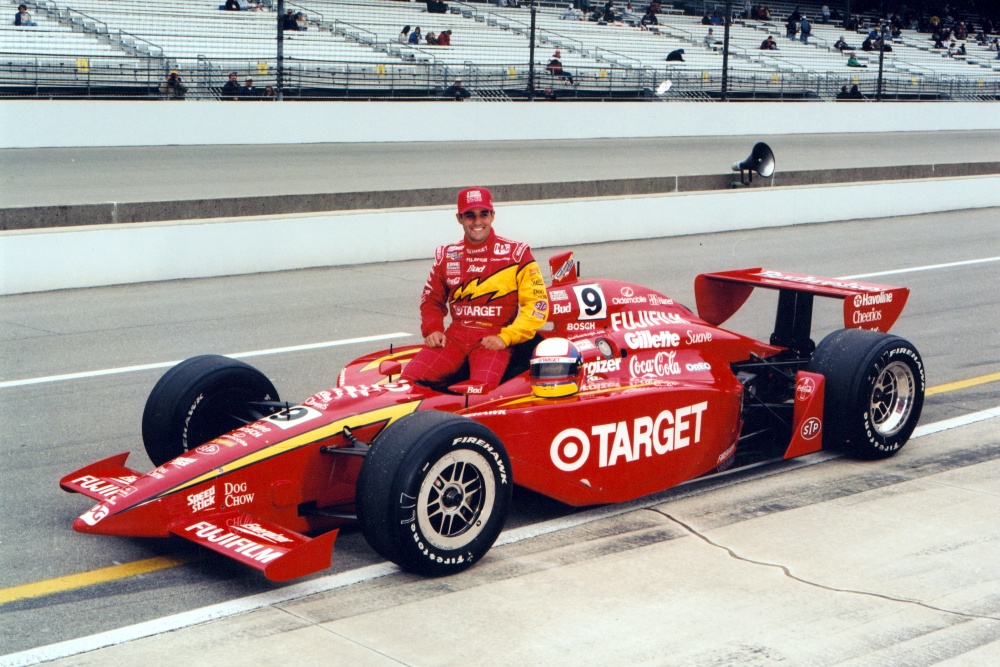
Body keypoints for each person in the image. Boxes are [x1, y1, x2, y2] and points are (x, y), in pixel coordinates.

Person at [399, 187, 548, 392]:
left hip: (494, 336)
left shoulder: (517, 254)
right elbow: (431, 299)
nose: (477, 222)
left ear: (492, 216)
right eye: (470, 216)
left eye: (483, 214)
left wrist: (506, 337)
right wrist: (432, 329)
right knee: (407, 382)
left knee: (480, 390)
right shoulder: (447, 255)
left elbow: (537, 307)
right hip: (455, 337)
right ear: (459, 218)